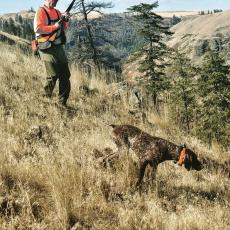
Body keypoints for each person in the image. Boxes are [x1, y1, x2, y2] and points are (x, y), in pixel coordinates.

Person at [34, 0, 71, 106]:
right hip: (45, 46)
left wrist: (66, 20)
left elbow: (64, 28)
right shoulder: (40, 11)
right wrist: (54, 27)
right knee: (53, 75)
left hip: (58, 46)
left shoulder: (58, 12)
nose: (55, 1)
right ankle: (44, 101)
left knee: (65, 75)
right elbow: (38, 29)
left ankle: (62, 103)